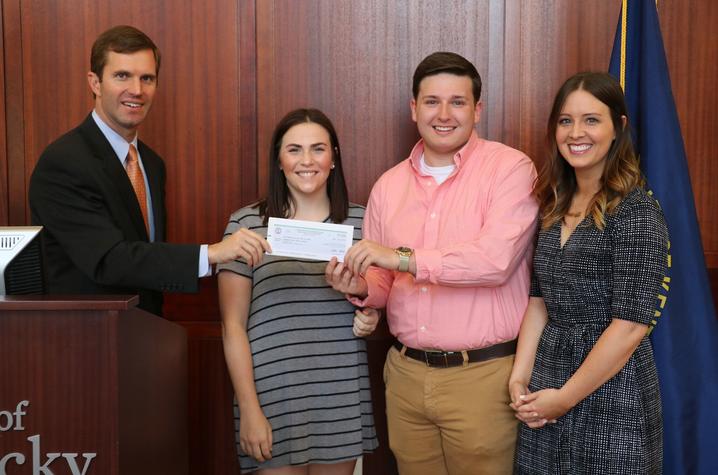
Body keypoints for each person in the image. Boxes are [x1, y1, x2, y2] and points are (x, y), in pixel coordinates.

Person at [325, 52, 538, 474]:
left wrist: (403, 258)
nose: (444, 114)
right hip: (405, 374)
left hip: (482, 376)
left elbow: (494, 261)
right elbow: (383, 282)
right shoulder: (388, 186)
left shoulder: (510, 169)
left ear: (477, 109)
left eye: (457, 102)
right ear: (413, 108)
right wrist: (360, 287)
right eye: (431, 101)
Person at [28, 25, 250, 316]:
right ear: (95, 82)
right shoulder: (64, 162)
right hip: (83, 341)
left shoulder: (152, 164)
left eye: (147, 78)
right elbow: (108, 259)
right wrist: (210, 254)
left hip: (144, 335)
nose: (137, 89)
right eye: (122, 76)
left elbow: (147, 262)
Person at [509, 72, 667, 474]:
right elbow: (539, 302)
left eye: (591, 120)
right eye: (565, 120)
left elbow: (630, 326)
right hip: (545, 384)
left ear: (619, 127)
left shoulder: (636, 212)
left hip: (612, 391)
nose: (576, 132)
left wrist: (565, 398)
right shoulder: (553, 205)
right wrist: (519, 378)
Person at [217, 108, 379, 474]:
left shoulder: (363, 222)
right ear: (278, 159)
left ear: (333, 157)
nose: (307, 161)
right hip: (271, 395)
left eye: (318, 149)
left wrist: (373, 314)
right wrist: (249, 410)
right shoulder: (246, 226)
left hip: (339, 393)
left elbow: (380, 297)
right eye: (294, 149)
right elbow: (233, 328)